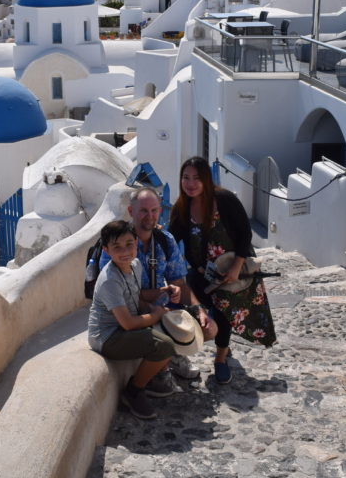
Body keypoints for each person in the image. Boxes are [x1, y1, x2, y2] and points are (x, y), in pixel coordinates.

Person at [168, 157, 276, 385]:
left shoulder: (224, 200)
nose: (191, 183)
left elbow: (245, 233)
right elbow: (170, 240)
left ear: (206, 179)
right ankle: (210, 346)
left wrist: (237, 266)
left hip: (230, 270)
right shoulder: (181, 208)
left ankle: (220, 358)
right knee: (200, 310)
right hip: (200, 272)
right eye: (186, 178)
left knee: (224, 309)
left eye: (197, 178)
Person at [99, 187, 218, 385]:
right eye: (144, 210)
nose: (150, 216)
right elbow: (120, 291)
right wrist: (155, 310)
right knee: (161, 329)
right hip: (130, 311)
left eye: (154, 210)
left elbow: (179, 282)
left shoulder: (165, 240)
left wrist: (199, 310)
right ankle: (162, 361)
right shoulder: (118, 243)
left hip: (160, 307)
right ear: (131, 211)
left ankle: (172, 356)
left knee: (209, 329)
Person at [87, 219, 174, 419]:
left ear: (136, 243)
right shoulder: (110, 280)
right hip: (108, 337)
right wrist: (155, 315)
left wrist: (164, 292)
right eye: (116, 247)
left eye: (129, 244)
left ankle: (154, 377)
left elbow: (138, 296)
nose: (124, 251)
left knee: (171, 329)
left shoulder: (135, 265)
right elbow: (127, 323)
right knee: (164, 345)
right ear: (107, 251)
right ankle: (133, 391)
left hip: (124, 328)